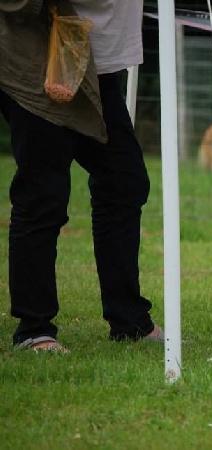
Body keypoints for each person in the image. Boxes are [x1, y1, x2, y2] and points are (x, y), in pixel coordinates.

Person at [0, 0, 162, 352]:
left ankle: (129, 320)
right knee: (43, 192)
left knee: (124, 182)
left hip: (95, 63)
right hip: (41, 56)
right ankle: (34, 329)